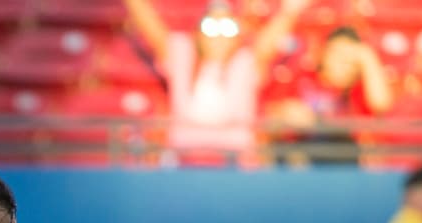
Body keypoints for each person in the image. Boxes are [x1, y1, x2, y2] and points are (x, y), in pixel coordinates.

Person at [123, 0, 310, 162]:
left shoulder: (245, 62)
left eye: (227, 28)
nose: (219, 35)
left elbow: (268, 42)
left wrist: (290, 10)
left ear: (237, 36)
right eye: (210, 26)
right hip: (185, 160)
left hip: (235, 162)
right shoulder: (182, 56)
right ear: (198, 32)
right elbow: (150, 26)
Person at [264, 26, 395, 165]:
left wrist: (368, 57)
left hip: (342, 166)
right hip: (298, 162)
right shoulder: (302, 79)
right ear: (325, 53)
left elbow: (382, 104)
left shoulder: (358, 92)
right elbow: (270, 117)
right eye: (339, 55)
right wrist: (285, 114)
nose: (345, 64)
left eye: (351, 60)